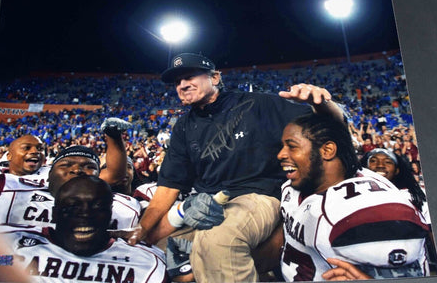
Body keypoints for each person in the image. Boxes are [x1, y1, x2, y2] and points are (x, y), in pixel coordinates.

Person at [128, 52, 346, 282]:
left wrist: (323, 103)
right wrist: (140, 231)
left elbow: (332, 124)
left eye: (189, 76)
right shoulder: (183, 126)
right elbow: (168, 187)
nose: (182, 85)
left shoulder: (259, 104)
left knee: (218, 241)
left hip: (257, 196)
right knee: (157, 249)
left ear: (214, 77)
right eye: (177, 82)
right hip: (206, 205)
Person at [274, 113, 429, 281]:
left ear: (327, 150)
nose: (280, 154)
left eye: (292, 146)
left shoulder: (364, 205)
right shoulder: (292, 187)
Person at [0, 118, 141, 230]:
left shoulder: (122, 205)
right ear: (49, 173)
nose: (76, 170)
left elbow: (115, 173)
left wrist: (113, 136)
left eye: (87, 166)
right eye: (67, 164)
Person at [0, 175, 168, 283]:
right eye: (73, 206)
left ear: (110, 214)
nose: (86, 214)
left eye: (97, 206)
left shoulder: (146, 263)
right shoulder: (13, 247)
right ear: (54, 214)